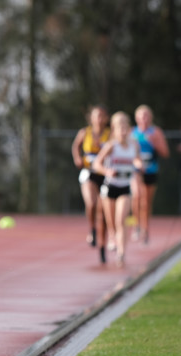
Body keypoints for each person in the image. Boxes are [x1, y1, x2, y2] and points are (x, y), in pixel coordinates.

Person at [93, 112, 143, 267]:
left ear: (129, 129)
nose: (123, 132)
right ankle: (112, 237)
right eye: (120, 128)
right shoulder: (111, 146)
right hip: (110, 187)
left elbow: (137, 159)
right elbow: (96, 164)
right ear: (114, 130)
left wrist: (139, 164)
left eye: (126, 128)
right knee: (112, 224)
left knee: (121, 220)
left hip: (124, 187)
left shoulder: (134, 145)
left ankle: (121, 253)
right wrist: (107, 171)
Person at [71, 105, 110, 262]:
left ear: (106, 118)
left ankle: (103, 246)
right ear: (91, 118)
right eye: (96, 115)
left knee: (104, 212)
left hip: (105, 175)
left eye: (102, 116)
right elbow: (76, 146)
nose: (99, 119)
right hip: (89, 173)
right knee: (92, 203)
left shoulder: (110, 134)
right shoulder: (84, 132)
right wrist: (77, 158)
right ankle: (92, 229)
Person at [129, 105, 169, 243]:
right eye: (141, 116)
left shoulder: (156, 132)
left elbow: (165, 153)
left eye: (146, 116)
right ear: (137, 118)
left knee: (146, 202)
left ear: (150, 117)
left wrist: (154, 142)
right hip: (136, 171)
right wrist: (136, 162)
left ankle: (145, 230)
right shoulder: (132, 132)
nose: (144, 119)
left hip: (151, 170)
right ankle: (136, 226)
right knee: (136, 197)